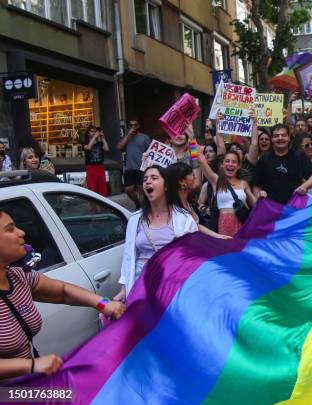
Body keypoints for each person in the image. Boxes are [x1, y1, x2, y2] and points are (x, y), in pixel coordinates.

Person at [0, 209, 125, 380]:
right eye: (10, 229)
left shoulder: (19, 276)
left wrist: (103, 303)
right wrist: (31, 365)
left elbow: (62, 292)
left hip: (29, 387)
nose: (21, 232)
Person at [114, 165, 198, 301]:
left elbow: (193, 257)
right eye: (145, 179)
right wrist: (124, 289)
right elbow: (128, 256)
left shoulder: (184, 219)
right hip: (141, 286)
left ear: (166, 186)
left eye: (154, 178)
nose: (148, 182)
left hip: (171, 286)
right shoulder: (135, 219)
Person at [253, 124, 312, 205]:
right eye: (276, 136)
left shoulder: (299, 156)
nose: (280, 138)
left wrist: (304, 186)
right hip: (271, 209)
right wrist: (258, 198)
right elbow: (256, 186)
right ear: (272, 139)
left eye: (283, 135)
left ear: (289, 138)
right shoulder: (264, 159)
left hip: (294, 208)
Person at [198, 149, 258, 236]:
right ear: (222, 165)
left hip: (243, 223)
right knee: (225, 248)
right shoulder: (216, 181)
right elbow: (200, 161)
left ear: (238, 166)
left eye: (234, 162)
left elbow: (255, 205)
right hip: (224, 224)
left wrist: (262, 198)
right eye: (227, 161)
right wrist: (191, 140)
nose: (230, 164)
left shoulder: (243, 183)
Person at [166, 162, 231, 239]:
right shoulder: (172, 209)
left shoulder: (190, 204)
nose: (195, 177)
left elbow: (195, 225)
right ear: (181, 181)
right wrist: (193, 150)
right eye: (192, 174)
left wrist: (219, 236)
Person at [116, 119, 151, 209]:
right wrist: (128, 135)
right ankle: (138, 203)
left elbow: (151, 152)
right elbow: (119, 147)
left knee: (141, 190)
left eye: (135, 125)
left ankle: (142, 209)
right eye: (131, 125)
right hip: (130, 167)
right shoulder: (126, 138)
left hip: (142, 167)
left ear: (138, 126)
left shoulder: (144, 137)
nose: (133, 127)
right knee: (128, 189)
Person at [82, 126, 109, 196]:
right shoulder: (85, 142)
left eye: (95, 131)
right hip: (91, 167)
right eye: (92, 131)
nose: (94, 133)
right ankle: (93, 207)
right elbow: (88, 148)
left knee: (103, 189)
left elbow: (106, 149)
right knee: (92, 189)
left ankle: (103, 206)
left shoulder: (100, 143)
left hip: (100, 167)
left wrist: (103, 137)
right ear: (88, 133)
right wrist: (95, 137)